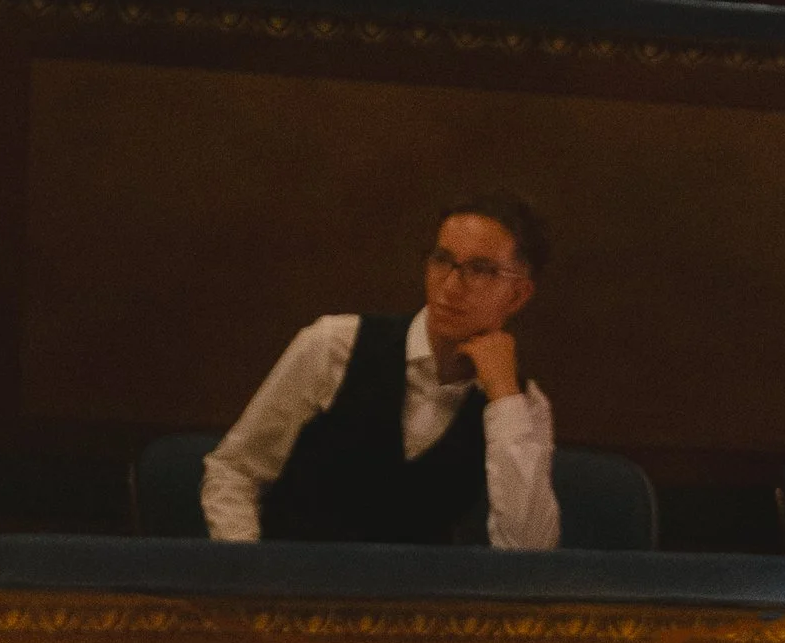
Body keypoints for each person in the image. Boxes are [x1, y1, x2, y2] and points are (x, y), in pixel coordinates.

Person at [200, 194, 559, 547]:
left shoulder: (522, 407)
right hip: (293, 586)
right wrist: (252, 575)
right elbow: (233, 472)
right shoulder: (335, 344)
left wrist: (503, 399)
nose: (449, 287)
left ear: (517, 295)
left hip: (415, 600)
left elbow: (527, 553)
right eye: (441, 260)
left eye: (479, 270)